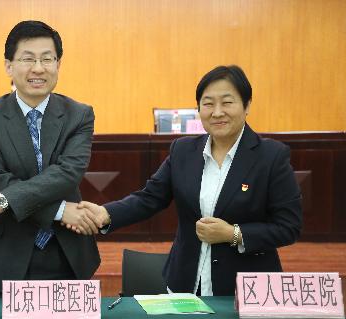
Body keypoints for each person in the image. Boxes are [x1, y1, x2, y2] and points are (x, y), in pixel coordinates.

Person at [74, 65, 302, 296]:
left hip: (246, 290)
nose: (217, 112)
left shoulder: (271, 156)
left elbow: (288, 227)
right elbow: (149, 198)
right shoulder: (183, 150)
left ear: (247, 105)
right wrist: (106, 214)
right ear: (199, 108)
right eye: (208, 103)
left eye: (227, 102)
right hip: (185, 285)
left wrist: (234, 234)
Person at [0, 20, 101, 297]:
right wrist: (60, 211)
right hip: (3, 254)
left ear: (58, 64)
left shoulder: (79, 114)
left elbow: (67, 173)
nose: (38, 68)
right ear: (9, 66)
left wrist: (3, 201)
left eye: (47, 59)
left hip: (67, 251)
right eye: (28, 59)